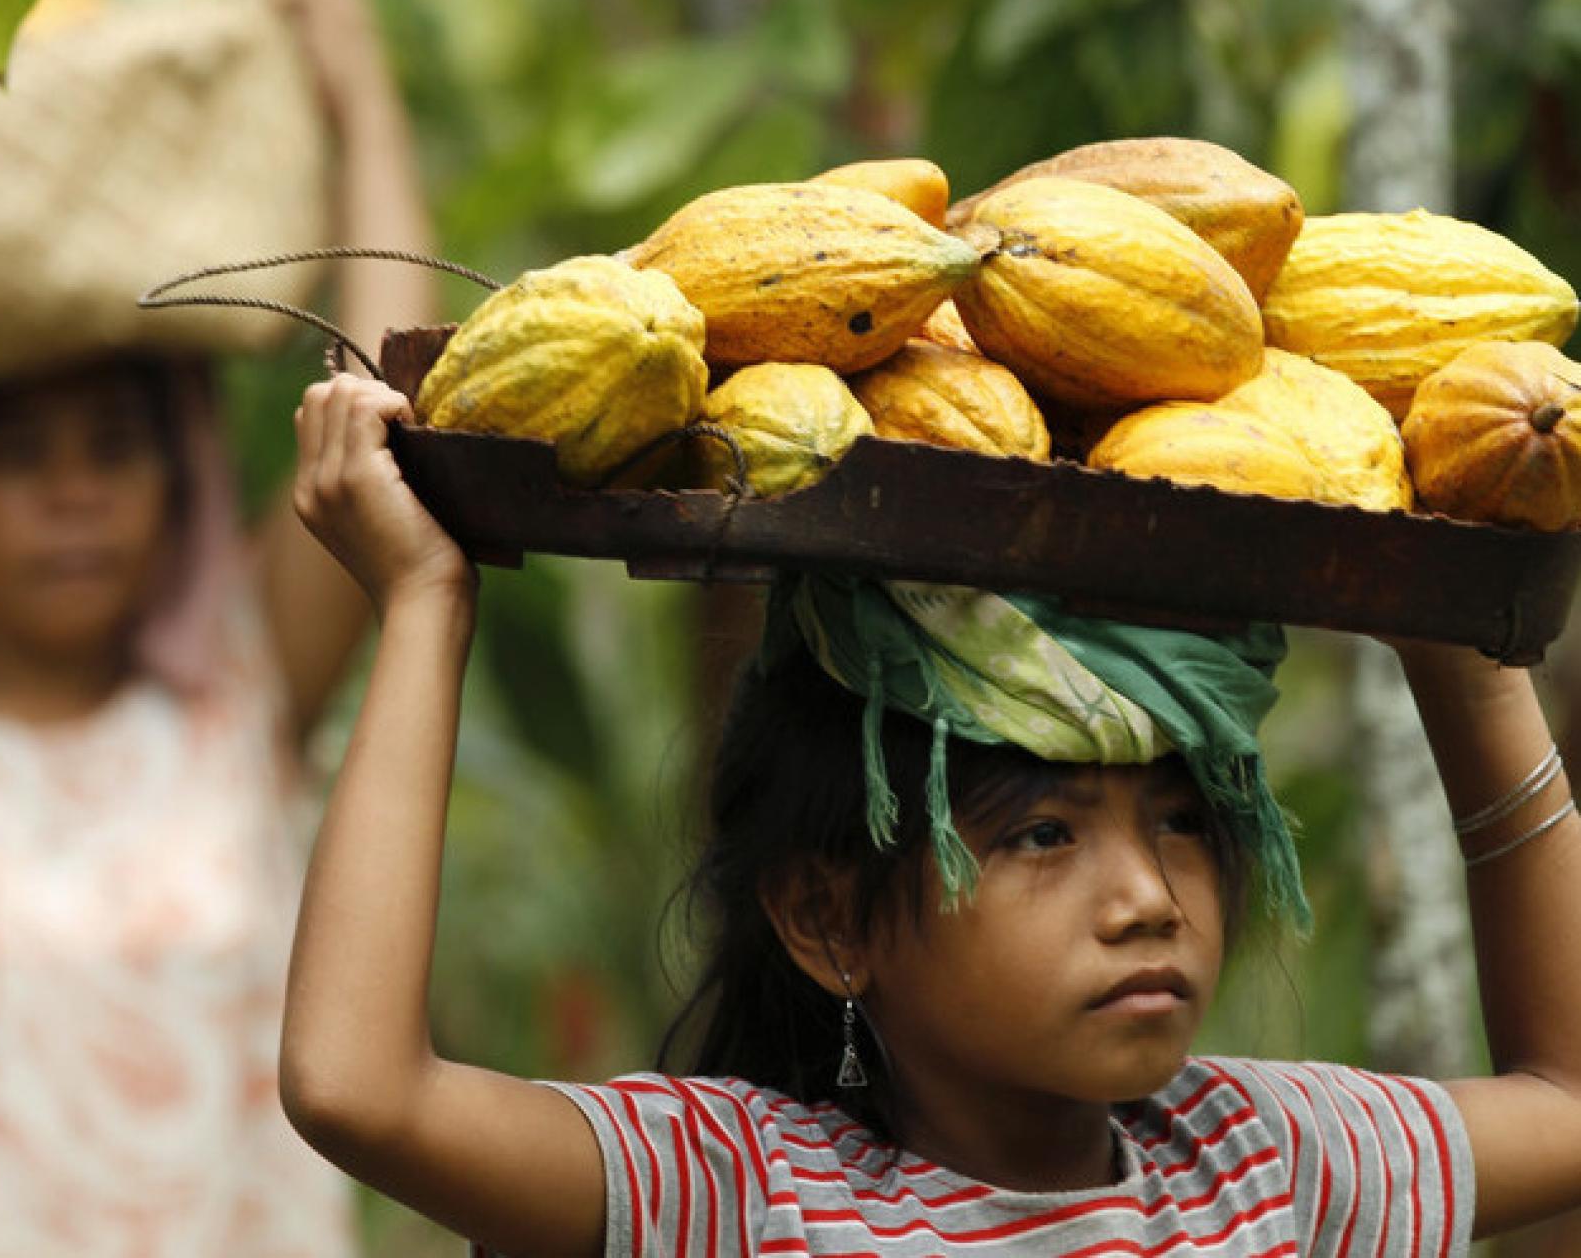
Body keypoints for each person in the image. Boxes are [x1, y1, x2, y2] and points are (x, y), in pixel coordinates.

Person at [277, 375, 1581, 1256]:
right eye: (1041, 835)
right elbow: (361, 1094)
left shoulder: (1257, 1164)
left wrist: (1460, 653)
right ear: (828, 916)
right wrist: (423, 605)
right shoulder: (744, 1193)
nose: (1146, 898)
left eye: (1180, 819)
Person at [0, 0, 434, 1253]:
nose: (75, 496)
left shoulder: (238, 691)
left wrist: (357, 89)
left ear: (175, 483)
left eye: (115, 449)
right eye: (20, 458)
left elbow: (388, 428)